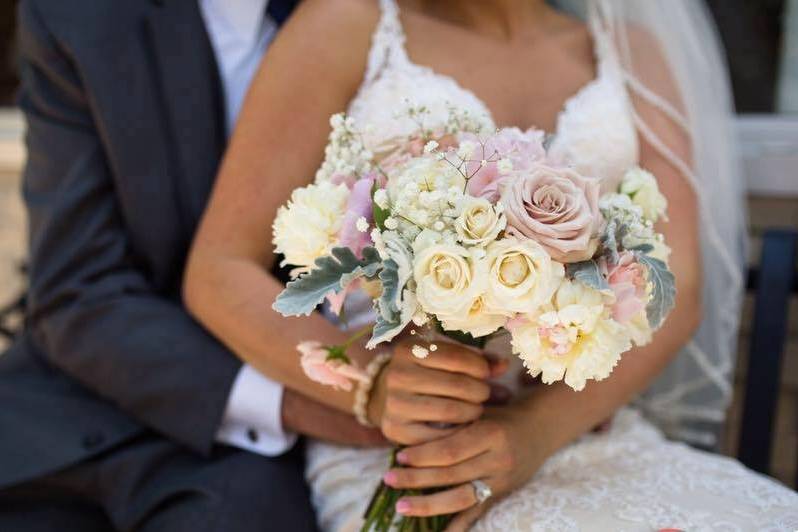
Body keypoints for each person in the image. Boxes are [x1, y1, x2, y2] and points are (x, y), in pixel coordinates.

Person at [184, 0, 798, 530]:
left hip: (583, 431)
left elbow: (678, 286)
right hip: (406, 450)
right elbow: (218, 269)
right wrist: (369, 386)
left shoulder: (628, 51)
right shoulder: (349, 24)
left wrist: (531, 434)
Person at [0, 1, 385, 530]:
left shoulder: (406, 18)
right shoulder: (75, 15)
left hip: (251, 471)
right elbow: (77, 289)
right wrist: (296, 403)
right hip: (72, 407)